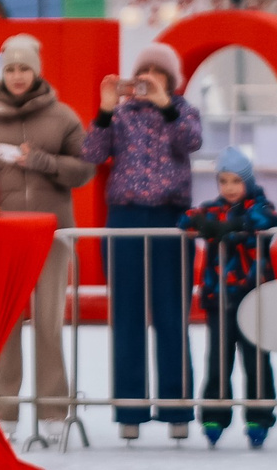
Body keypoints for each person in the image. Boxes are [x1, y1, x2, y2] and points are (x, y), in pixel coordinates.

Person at [0, 33, 91, 435]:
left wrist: (42, 161)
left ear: (36, 70)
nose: (17, 76)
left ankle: (53, 410)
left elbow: (84, 168)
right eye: (11, 68)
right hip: (3, 237)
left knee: (49, 324)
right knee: (4, 323)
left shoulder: (63, 116)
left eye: (24, 68)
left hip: (52, 235)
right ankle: (3, 411)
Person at [81, 44, 201, 440]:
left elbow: (191, 141)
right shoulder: (120, 115)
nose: (149, 76)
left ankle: (176, 406)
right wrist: (103, 108)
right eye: (143, 70)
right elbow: (92, 154)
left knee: (171, 315)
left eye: (158, 71)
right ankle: (130, 407)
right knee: (127, 316)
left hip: (170, 218)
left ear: (172, 78)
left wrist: (166, 104)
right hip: (126, 217)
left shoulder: (182, 111)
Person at [182, 145, 277, 447]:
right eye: (223, 181)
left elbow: (267, 220)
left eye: (236, 181)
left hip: (254, 299)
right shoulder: (212, 208)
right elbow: (186, 220)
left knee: (256, 361)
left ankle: (259, 415)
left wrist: (232, 226)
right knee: (218, 359)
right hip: (220, 298)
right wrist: (203, 224)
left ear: (248, 181)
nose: (229, 188)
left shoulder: (260, 206)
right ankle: (214, 414)